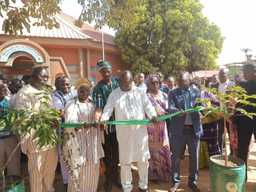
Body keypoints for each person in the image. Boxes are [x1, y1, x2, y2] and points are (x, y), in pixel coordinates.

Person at [101, 71, 157, 192]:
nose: (124, 85)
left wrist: (153, 115)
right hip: (124, 134)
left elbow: (148, 106)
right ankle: (127, 187)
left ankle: (143, 186)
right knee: (125, 162)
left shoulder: (140, 92)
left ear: (132, 81)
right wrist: (104, 119)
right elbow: (108, 108)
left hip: (139, 133)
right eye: (122, 83)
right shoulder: (114, 94)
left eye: (127, 83)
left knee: (143, 160)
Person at [15, 67, 58, 192]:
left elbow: (50, 112)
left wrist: (55, 117)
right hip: (34, 141)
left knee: (50, 170)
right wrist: (45, 119)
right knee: (36, 172)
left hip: (50, 139)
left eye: (47, 77)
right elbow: (24, 116)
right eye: (42, 76)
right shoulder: (24, 93)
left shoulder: (46, 92)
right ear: (33, 76)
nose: (45, 79)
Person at [63, 78, 104, 192]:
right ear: (77, 90)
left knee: (92, 172)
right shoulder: (71, 104)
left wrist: (99, 120)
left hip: (92, 144)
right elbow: (70, 122)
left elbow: (100, 117)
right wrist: (80, 125)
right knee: (77, 172)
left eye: (86, 89)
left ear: (89, 91)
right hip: (78, 144)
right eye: (81, 89)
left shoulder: (93, 103)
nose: (84, 92)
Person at [168, 72, 202, 192]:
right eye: (180, 81)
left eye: (185, 81)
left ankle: (192, 182)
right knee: (176, 157)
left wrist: (200, 110)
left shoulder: (196, 91)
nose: (182, 83)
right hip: (179, 131)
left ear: (189, 80)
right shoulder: (173, 93)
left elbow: (201, 106)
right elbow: (170, 108)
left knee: (194, 158)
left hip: (193, 130)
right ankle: (175, 182)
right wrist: (178, 111)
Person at [92, 60, 121, 191]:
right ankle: (108, 181)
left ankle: (117, 178)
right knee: (108, 156)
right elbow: (98, 107)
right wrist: (99, 119)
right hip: (107, 128)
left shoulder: (117, 83)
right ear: (100, 73)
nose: (106, 73)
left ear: (111, 70)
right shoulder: (98, 88)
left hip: (121, 126)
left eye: (108, 70)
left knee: (118, 155)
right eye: (103, 71)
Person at [146, 75, 172, 181]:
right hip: (151, 128)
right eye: (152, 82)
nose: (155, 84)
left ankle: (166, 174)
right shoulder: (146, 97)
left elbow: (169, 109)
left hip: (163, 127)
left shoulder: (165, 95)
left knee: (164, 148)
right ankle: (155, 175)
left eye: (157, 82)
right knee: (154, 152)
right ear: (148, 84)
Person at [52, 75, 75, 189]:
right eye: (63, 84)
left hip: (75, 132)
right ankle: (66, 183)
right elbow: (60, 112)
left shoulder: (73, 93)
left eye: (67, 84)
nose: (66, 86)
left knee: (74, 155)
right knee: (64, 157)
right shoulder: (55, 96)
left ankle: (75, 181)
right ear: (57, 86)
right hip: (62, 132)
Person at [235, 63, 256, 178]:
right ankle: (242, 176)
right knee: (242, 149)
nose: (243, 73)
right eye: (243, 71)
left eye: (245, 71)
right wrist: (235, 117)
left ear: (253, 71)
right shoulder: (242, 85)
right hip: (243, 121)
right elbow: (238, 103)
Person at [0, 83, 21, 177]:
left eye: (5, 88)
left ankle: (14, 188)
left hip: (10, 138)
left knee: (14, 166)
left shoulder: (10, 101)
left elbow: (17, 118)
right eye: (1, 88)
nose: (4, 90)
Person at [217, 68, 235, 152]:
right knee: (220, 133)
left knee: (231, 133)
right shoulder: (218, 85)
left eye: (222, 74)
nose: (220, 76)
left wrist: (229, 113)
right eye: (219, 75)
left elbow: (233, 100)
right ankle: (221, 151)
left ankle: (232, 152)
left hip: (230, 114)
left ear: (226, 75)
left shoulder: (232, 84)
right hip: (221, 113)